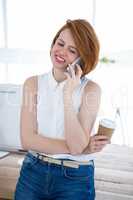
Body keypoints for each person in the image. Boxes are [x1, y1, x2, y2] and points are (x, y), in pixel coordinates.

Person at [14, 19, 109, 200]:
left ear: (83, 58)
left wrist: (68, 95)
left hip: (74, 178)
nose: (62, 52)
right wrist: (82, 148)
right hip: (32, 172)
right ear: (53, 43)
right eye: (60, 43)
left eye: (72, 51)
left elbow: (76, 145)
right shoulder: (32, 84)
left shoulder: (91, 90)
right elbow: (27, 140)